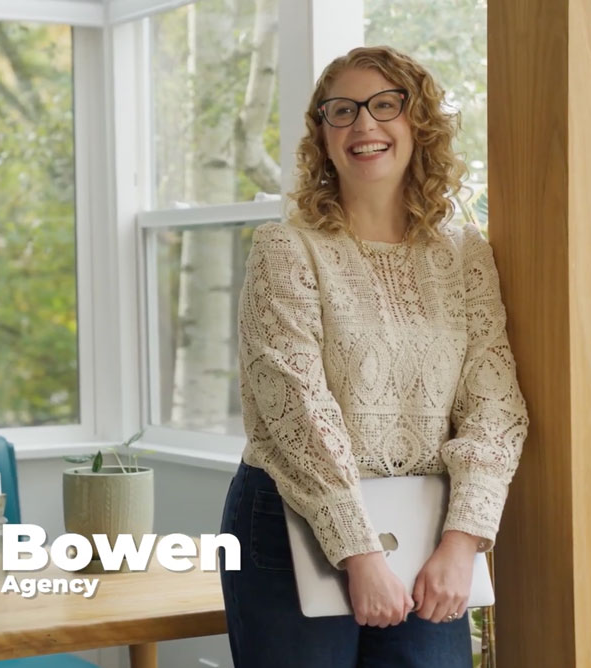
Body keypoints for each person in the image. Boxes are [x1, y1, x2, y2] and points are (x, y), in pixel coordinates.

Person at [219, 45, 529, 667]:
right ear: (323, 135)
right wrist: (359, 552)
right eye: (343, 111)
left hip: (428, 528)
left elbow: (495, 403)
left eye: (385, 105)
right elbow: (297, 408)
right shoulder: (287, 248)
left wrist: (462, 542)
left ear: (419, 123)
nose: (364, 124)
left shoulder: (465, 253)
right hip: (294, 518)